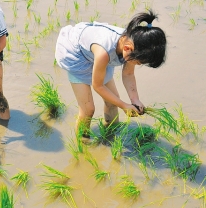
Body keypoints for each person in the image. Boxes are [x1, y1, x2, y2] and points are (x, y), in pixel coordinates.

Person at [55, 11, 166, 139]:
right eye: (138, 62)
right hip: (75, 54)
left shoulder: (134, 43)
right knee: (88, 109)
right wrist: (124, 105)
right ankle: (82, 142)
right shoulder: (105, 52)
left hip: (96, 53)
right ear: (127, 49)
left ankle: (111, 133)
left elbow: (128, 74)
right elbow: (98, 86)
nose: (138, 65)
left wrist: (134, 100)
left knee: (112, 101)